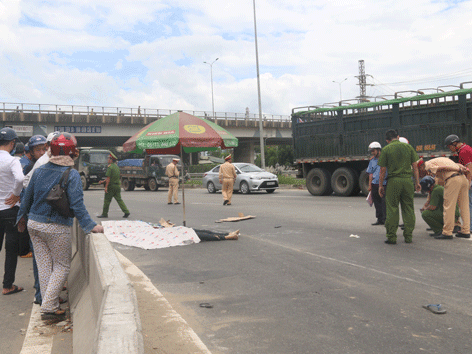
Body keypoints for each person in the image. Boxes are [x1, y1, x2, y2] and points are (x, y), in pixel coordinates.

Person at [17, 133, 104, 320]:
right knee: (63, 266)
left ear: (51, 150)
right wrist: (90, 226)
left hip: (34, 225)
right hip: (56, 227)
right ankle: (48, 308)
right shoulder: (71, 174)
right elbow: (77, 206)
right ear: (72, 152)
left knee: (45, 266)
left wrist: (21, 218)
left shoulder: (39, 171)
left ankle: (51, 303)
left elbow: (27, 197)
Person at [378, 129, 421, 244]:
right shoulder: (409, 147)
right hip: (407, 181)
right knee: (408, 208)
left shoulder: (386, 149)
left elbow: (382, 170)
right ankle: (408, 237)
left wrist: (380, 185)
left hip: (393, 181)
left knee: (392, 208)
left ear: (387, 140)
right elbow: (415, 167)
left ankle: (392, 237)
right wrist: (417, 182)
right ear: (398, 136)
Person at [418, 157, 470, 239]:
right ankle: (466, 231)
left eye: (420, 170)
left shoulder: (428, 165)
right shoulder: (442, 160)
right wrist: (461, 168)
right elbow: (457, 165)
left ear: (421, 166)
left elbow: (442, 168)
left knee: (449, 207)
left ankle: (447, 232)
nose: (422, 172)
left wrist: (458, 169)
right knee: (464, 207)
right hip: (463, 179)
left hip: (453, 179)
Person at [0, 128, 25, 295]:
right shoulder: (12, 160)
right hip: (9, 210)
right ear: (12, 143)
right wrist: (16, 194)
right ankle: (7, 286)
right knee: (11, 250)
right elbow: (20, 179)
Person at [444, 134, 472, 233]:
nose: (449, 149)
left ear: (454, 143)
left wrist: (469, 182)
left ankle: (470, 227)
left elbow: (469, 167)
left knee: (468, 204)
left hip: (470, 179)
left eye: (449, 146)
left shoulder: (464, 151)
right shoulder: (465, 148)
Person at [98, 153, 130, 218]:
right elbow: (113, 177)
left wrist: (106, 187)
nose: (107, 160)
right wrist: (102, 181)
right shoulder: (117, 167)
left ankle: (104, 214)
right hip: (117, 186)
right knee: (119, 200)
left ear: (111, 160)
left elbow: (108, 178)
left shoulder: (110, 167)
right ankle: (126, 211)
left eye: (108, 158)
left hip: (111, 187)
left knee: (107, 200)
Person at [366, 141, 387, 225]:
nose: (372, 153)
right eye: (371, 151)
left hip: (384, 183)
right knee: (377, 202)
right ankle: (379, 219)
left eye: (373, 150)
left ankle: (386, 219)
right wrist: (370, 185)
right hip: (375, 183)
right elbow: (370, 173)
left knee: (384, 202)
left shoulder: (385, 158)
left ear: (378, 150)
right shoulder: (372, 161)